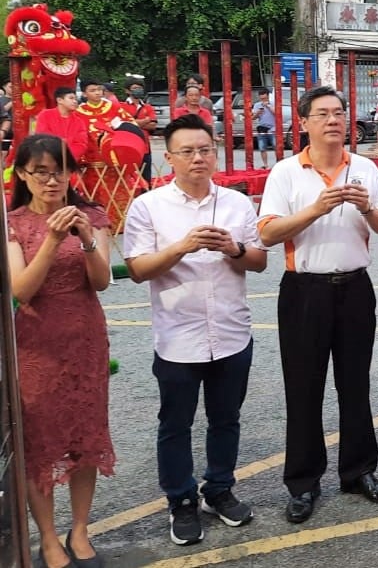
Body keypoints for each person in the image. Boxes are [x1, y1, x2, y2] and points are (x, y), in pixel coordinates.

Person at [123, 115, 268, 546]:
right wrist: (181, 247)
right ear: (168, 157)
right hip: (177, 337)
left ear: (216, 152)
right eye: (186, 151)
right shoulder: (148, 206)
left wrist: (233, 249)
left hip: (231, 333)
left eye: (204, 149)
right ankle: (181, 500)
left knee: (226, 419)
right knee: (175, 423)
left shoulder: (237, 204)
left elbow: (258, 262)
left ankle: (219, 488)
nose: (197, 158)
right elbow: (136, 269)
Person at [258, 86, 378, 524]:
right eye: (322, 114)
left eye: (339, 113)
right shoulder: (285, 173)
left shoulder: (365, 169)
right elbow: (267, 234)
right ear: (303, 123)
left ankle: (359, 472)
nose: (333, 121)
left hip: (355, 288)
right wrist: (316, 209)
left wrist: (368, 210)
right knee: (304, 389)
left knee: (355, 385)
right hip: (304, 292)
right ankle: (302, 483)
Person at [7, 134, 114, 568]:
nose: (53, 181)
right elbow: (22, 290)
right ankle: (49, 538)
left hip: (85, 339)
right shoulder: (13, 223)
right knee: (41, 443)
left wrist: (86, 238)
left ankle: (81, 529)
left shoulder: (91, 215)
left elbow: (102, 281)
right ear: (22, 175)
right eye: (41, 172)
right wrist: (52, 239)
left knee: (86, 436)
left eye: (61, 171)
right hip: (36, 346)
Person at [35, 86, 89, 163]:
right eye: (71, 98)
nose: (75, 101)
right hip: (48, 161)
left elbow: (81, 144)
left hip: (70, 162)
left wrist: (67, 156)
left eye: (75, 99)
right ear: (59, 100)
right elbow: (43, 138)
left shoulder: (79, 121)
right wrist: (58, 155)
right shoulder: (45, 115)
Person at [252, 89, 277, 168]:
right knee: (262, 147)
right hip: (262, 127)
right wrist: (257, 113)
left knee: (276, 146)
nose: (263, 99)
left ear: (268, 96)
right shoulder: (257, 105)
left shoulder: (273, 103)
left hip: (273, 128)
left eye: (264, 98)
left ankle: (278, 163)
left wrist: (268, 106)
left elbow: (277, 113)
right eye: (261, 98)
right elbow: (253, 118)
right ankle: (265, 165)